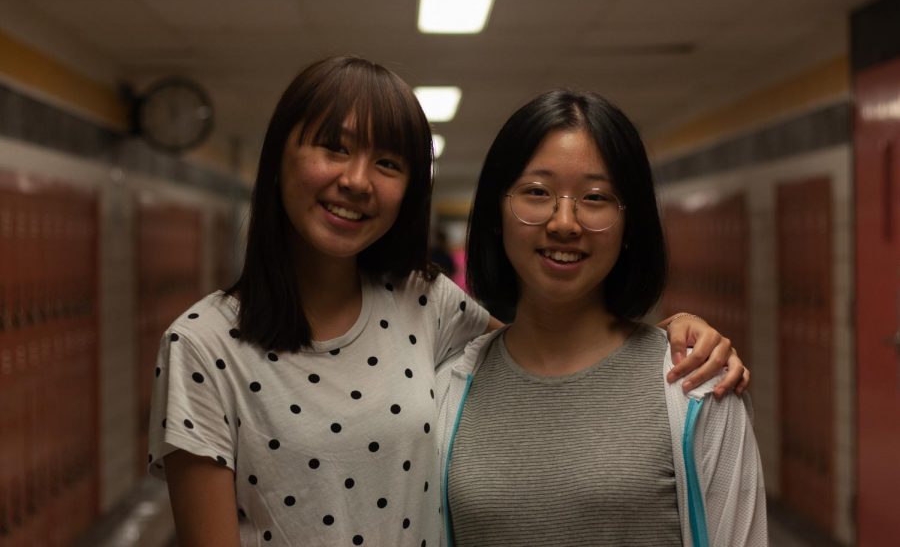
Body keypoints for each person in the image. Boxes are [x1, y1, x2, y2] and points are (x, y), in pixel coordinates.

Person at [147, 57, 749, 547]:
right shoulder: (202, 345)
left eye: (387, 163)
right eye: (333, 148)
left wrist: (675, 331)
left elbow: (553, 339)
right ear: (278, 158)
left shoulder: (423, 303)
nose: (357, 181)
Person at [437, 90, 767, 547]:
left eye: (595, 197)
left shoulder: (696, 385)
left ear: (630, 225)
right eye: (537, 192)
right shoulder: (450, 387)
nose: (565, 222)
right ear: (498, 211)